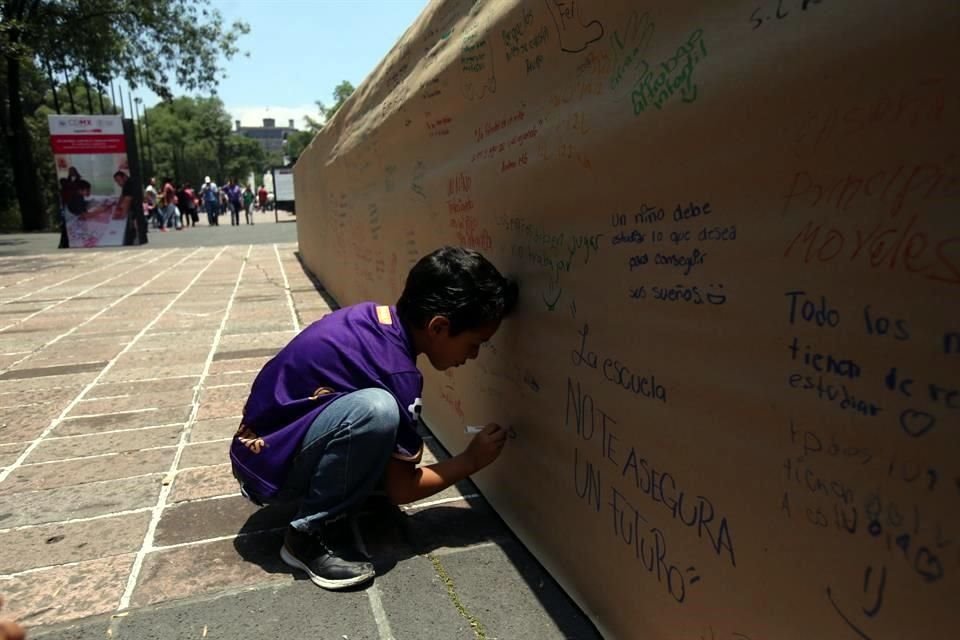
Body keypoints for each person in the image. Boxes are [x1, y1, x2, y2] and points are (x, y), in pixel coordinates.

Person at [230, 247, 518, 590]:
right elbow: (402, 489)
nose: (474, 355)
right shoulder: (398, 373)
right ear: (439, 327)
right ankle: (306, 535)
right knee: (378, 411)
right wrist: (470, 461)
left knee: (380, 421)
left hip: (261, 450)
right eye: (475, 343)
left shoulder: (374, 319)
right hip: (271, 472)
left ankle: (351, 495)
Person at [115, 170, 146, 245]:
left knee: (134, 224)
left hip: (135, 208)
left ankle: (137, 239)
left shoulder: (128, 185)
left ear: (124, 177)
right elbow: (123, 196)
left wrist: (122, 215)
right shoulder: (128, 183)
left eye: (119, 180)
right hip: (136, 207)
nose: (118, 183)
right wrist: (118, 204)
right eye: (116, 181)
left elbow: (127, 200)